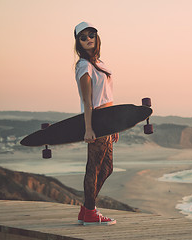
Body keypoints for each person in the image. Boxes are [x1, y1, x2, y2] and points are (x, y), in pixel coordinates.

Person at [74, 21, 118, 225]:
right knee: (94, 167)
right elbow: (87, 100)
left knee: (107, 167)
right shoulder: (84, 65)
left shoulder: (99, 63)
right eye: (83, 37)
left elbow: (108, 95)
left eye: (91, 34)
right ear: (78, 42)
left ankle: (86, 209)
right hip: (97, 121)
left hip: (107, 121)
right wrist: (89, 128)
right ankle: (90, 212)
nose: (88, 39)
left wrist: (115, 124)